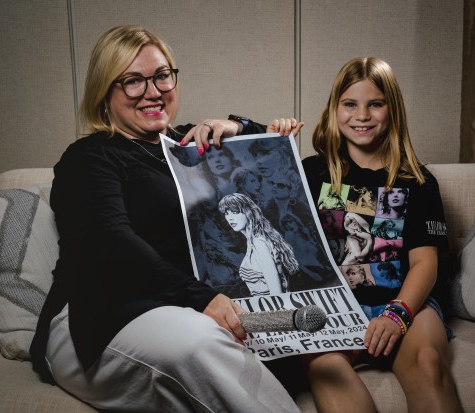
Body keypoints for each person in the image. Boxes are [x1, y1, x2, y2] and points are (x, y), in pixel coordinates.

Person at [29, 25, 300, 413]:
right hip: (97, 319)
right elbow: (111, 242)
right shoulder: (90, 157)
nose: (153, 91)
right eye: (132, 81)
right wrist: (203, 299)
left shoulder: (189, 145)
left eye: (161, 75)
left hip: (181, 308)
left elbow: (267, 155)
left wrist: (236, 126)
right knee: (199, 341)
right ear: (104, 91)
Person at [269, 58, 463, 412]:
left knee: (428, 364)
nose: (362, 115)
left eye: (375, 104)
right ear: (334, 110)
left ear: (393, 110)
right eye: (350, 104)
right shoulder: (310, 173)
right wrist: (271, 148)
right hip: (334, 307)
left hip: (406, 303)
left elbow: (425, 264)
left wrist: (397, 314)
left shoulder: (418, 182)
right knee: (323, 364)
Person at [219, 192, 299, 296]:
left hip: (271, 307)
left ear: (248, 212)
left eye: (235, 212)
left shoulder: (259, 243)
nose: (230, 218)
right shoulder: (254, 241)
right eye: (226, 213)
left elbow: (276, 294)